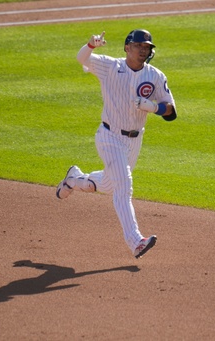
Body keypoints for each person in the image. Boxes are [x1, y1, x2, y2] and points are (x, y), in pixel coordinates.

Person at [55, 29, 177, 259]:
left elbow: (171, 112)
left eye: (147, 47)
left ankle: (75, 179)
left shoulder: (156, 76)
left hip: (134, 140)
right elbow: (81, 59)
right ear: (127, 47)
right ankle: (135, 241)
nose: (144, 50)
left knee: (110, 184)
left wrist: (153, 108)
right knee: (124, 185)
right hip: (109, 137)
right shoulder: (110, 66)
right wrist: (90, 45)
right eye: (139, 46)